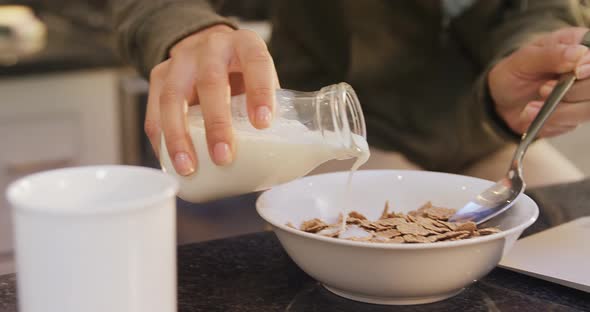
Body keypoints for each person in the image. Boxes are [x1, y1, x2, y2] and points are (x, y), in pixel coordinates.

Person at [110, 0, 590, 187]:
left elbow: (536, 7)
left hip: (486, 131)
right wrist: (189, 32)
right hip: (333, 133)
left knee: (565, 228)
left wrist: (539, 53)